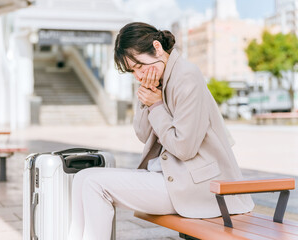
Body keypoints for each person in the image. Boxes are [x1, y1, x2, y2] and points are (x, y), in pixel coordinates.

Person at [67, 22, 254, 240]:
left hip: (198, 187)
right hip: (169, 177)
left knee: (94, 184)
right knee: (83, 178)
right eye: (133, 71)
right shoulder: (158, 79)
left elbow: (184, 148)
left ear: (157, 47)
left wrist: (156, 106)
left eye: (139, 66)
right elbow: (143, 134)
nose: (138, 75)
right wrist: (148, 96)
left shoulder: (186, 76)